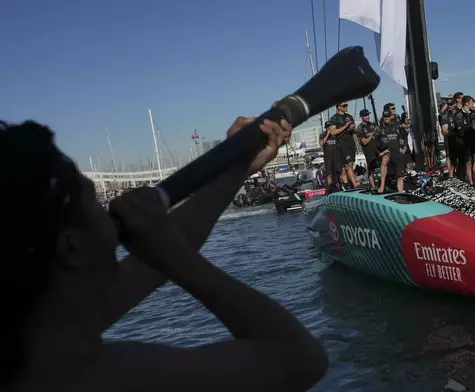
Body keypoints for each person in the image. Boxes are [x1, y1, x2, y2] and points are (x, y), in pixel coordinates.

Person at [0, 118, 328, 391]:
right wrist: (176, 258)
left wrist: (237, 166)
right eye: (94, 202)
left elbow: (169, 247)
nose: (111, 208)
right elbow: (299, 357)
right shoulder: (92, 376)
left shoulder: (42, 325)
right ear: (72, 246)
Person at [376, 109, 406, 193]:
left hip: (397, 152)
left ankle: (401, 192)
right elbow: (374, 142)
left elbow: (404, 136)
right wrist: (379, 152)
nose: (386, 118)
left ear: (391, 117)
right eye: (384, 117)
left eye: (387, 117)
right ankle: (382, 185)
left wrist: (404, 147)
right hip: (387, 152)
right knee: (385, 159)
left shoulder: (397, 126)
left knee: (400, 176)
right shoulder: (379, 128)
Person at [329, 102, 357, 188]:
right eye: (344, 105)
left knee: (351, 163)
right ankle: (355, 184)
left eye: (347, 105)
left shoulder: (349, 116)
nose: (346, 107)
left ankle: (349, 184)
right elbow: (333, 132)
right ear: (339, 107)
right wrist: (345, 126)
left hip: (351, 141)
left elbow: (353, 128)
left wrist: (352, 128)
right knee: (348, 164)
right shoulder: (334, 118)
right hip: (342, 142)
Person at [355, 109, 380, 188]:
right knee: (371, 169)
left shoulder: (373, 124)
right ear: (361, 117)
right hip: (368, 151)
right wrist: (372, 134)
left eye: (368, 115)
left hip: (378, 149)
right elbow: (364, 142)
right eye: (366, 115)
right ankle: (373, 187)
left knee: (381, 166)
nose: (368, 117)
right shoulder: (359, 128)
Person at [452, 94, 473, 184]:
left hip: (471, 142)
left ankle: (472, 179)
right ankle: (469, 182)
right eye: (472, 102)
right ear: (467, 103)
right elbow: (461, 131)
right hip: (462, 143)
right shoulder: (459, 114)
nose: (473, 104)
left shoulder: (471, 114)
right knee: (465, 163)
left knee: (472, 163)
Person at [319, 119, 343, 192]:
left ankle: (341, 187)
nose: (330, 128)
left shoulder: (336, 134)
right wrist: (327, 134)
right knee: (329, 174)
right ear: (326, 128)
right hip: (328, 157)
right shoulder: (323, 134)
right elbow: (321, 143)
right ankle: (330, 189)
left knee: (339, 172)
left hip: (337, 156)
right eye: (328, 127)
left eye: (331, 126)